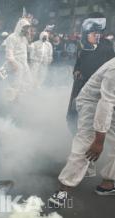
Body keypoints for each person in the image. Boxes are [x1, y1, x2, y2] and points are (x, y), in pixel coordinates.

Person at [49, 57, 115, 207]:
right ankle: (63, 190)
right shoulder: (114, 69)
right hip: (93, 102)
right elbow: (105, 104)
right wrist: (99, 140)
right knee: (86, 142)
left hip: (110, 103)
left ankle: (107, 184)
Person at [67, 14, 115, 134]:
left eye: (98, 30)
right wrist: (76, 71)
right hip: (82, 82)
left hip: (100, 85)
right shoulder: (83, 43)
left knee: (98, 112)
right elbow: (79, 61)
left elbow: (111, 64)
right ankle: (75, 133)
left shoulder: (107, 45)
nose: (96, 33)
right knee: (75, 112)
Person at [3, 17, 32, 102]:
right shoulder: (11, 37)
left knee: (27, 82)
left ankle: (17, 100)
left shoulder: (24, 38)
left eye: (27, 28)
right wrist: (13, 63)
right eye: (25, 27)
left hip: (24, 64)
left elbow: (28, 50)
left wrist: (29, 38)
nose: (26, 30)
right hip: (15, 64)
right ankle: (10, 102)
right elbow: (9, 52)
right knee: (16, 84)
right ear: (20, 27)